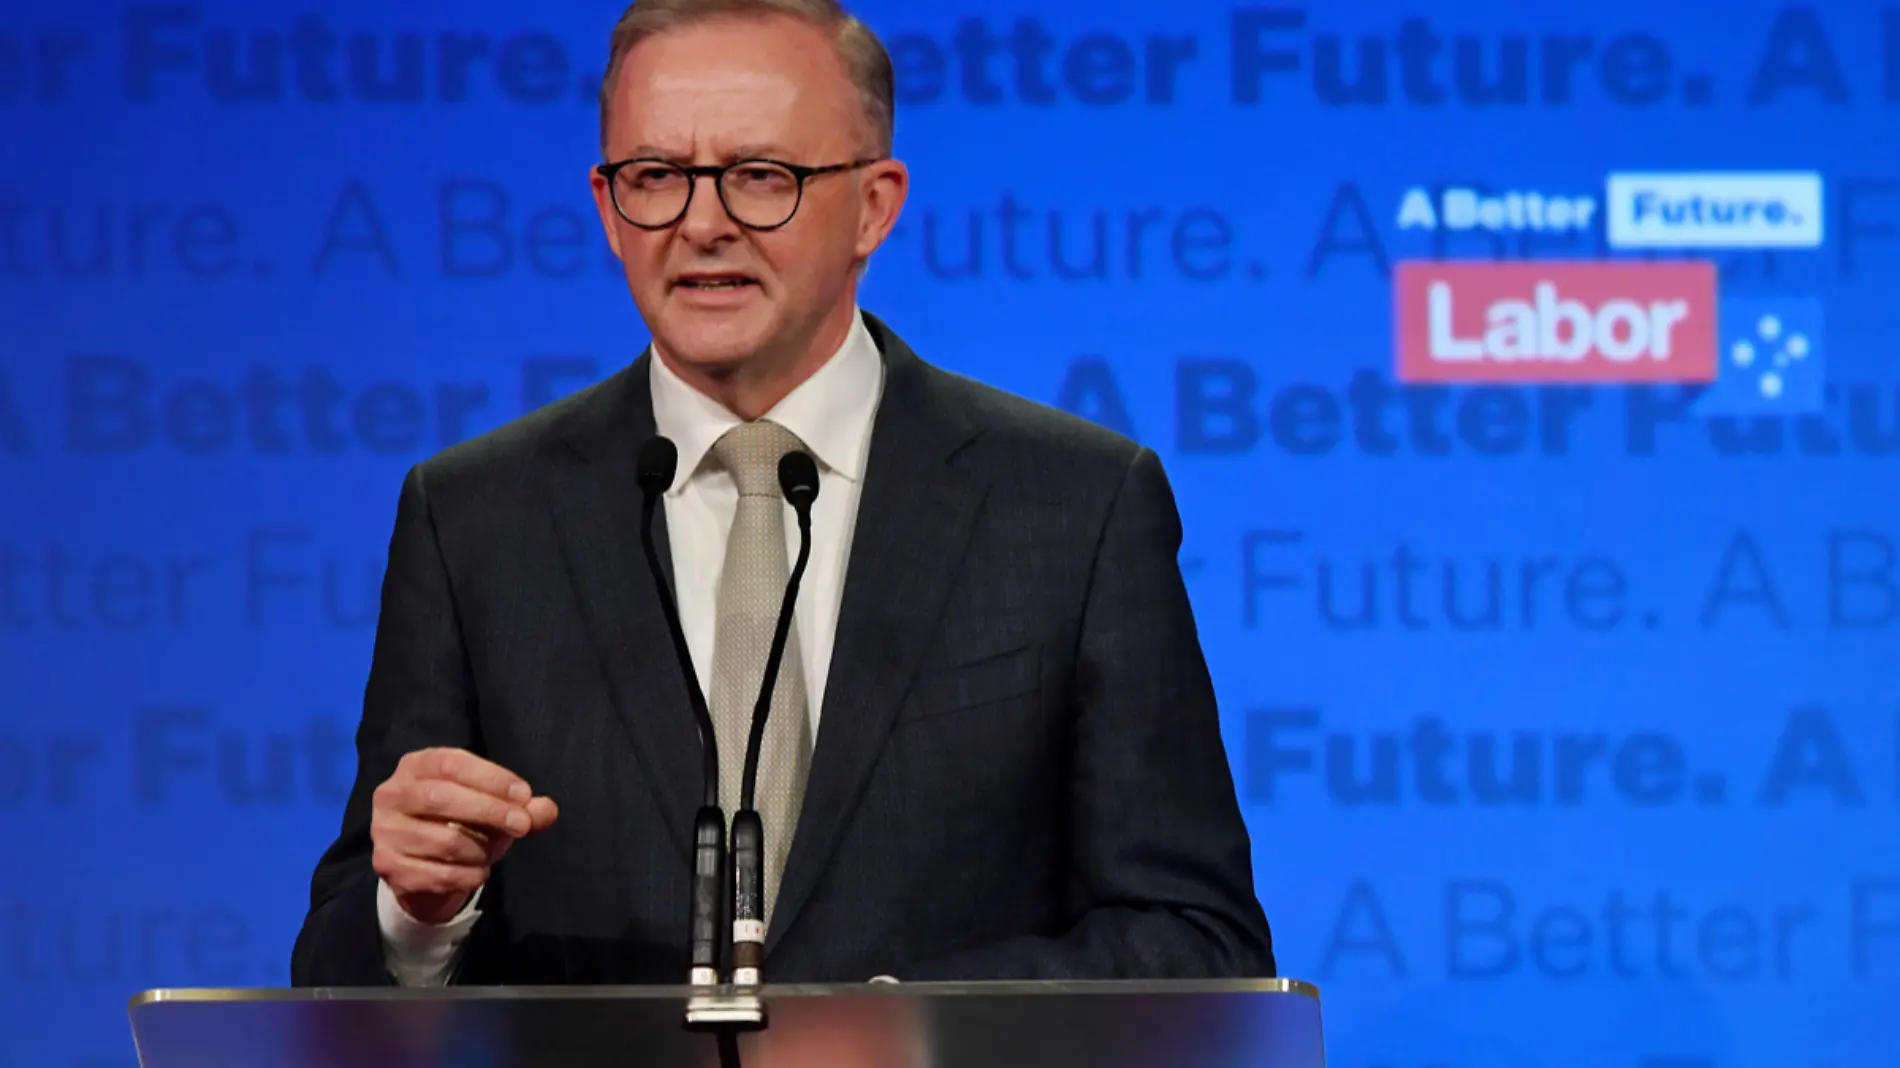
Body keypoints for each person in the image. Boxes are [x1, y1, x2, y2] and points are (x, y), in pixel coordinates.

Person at [289, 0, 1273, 987]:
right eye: (655, 178)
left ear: (875, 206)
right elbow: (337, 976)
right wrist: (417, 912)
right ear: (605, 207)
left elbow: (1195, 943)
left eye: (761, 177)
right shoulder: (472, 520)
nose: (702, 224)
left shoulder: (1076, 506)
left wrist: (911, 1033)